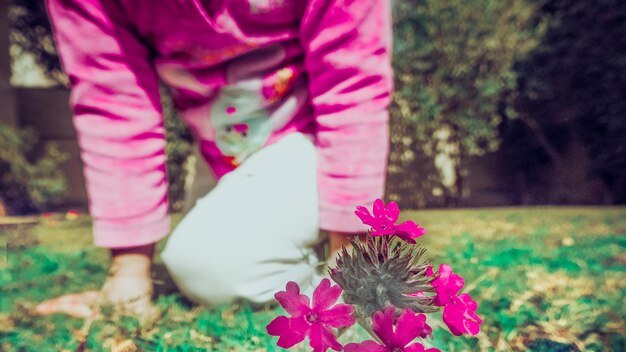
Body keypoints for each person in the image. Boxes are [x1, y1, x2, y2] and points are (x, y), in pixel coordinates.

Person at [35, 0, 392, 319]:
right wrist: (128, 269)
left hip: (309, 143)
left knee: (206, 264)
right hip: (220, 159)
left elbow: (350, 83)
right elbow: (115, 102)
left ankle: (329, 272)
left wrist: (347, 252)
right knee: (191, 261)